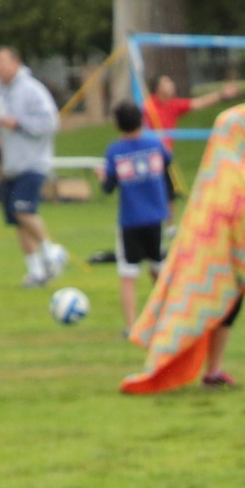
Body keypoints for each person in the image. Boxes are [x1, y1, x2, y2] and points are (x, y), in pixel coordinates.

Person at [0, 46, 67, 288]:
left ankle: (51, 251)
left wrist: (19, 124)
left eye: (1, 61)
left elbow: (51, 122)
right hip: (9, 164)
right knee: (16, 219)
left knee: (24, 211)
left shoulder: (32, 89)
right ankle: (35, 271)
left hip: (33, 161)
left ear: (16, 62)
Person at [99, 100, 178, 335]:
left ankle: (132, 325)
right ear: (141, 120)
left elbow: (108, 187)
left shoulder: (115, 150)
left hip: (131, 220)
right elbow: (167, 162)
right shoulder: (155, 143)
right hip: (156, 218)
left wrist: (102, 176)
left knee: (128, 274)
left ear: (117, 125)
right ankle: (168, 316)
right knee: (158, 268)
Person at [142, 72, 237, 155]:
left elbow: (199, 102)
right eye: (167, 82)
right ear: (157, 88)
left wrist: (222, 95)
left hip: (165, 154)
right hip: (149, 154)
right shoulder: (147, 106)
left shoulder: (173, 105)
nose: (172, 84)